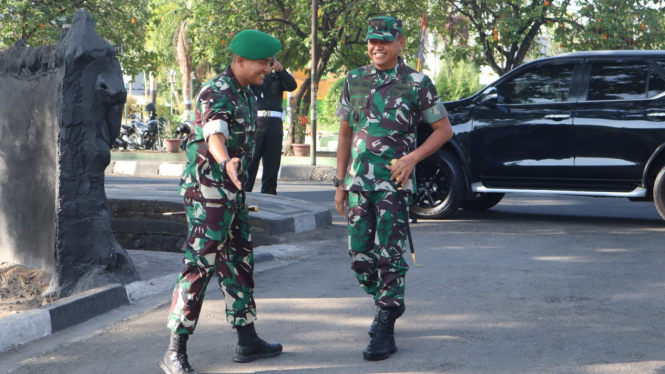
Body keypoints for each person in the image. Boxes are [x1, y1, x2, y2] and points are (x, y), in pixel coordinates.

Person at [159, 29, 283, 374]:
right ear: (240, 60)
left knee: (239, 260)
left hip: (231, 191)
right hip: (209, 192)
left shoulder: (245, 91)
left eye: (269, 62)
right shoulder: (217, 91)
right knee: (200, 265)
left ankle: (247, 340)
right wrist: (225, 159)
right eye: (262, 62)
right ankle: (174, 349)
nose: (268, 68)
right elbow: (215, 132)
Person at [333, 16, 453, 361]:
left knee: (390, 254)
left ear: (400, 42)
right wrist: (340, 184)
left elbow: (444, 130)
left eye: (384, 41)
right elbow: (344, 134)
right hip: (358, 184)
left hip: (393, 186)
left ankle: (385, 323)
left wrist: (412, 159)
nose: (376, 47)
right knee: (359, 257)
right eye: (372, 41)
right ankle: (389, 302)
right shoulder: (354, 80)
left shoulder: (417, 83)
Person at [245, 58, 297, 195]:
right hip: (257, 123)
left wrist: (282, 71)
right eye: (263, 63)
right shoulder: (255, 79)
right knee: (251, 164)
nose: (266, 66)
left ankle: (269, 196)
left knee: (272, 166)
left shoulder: (278, 79)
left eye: (269, 63)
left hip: (274, 125)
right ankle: (244, 195)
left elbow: (292, 86)